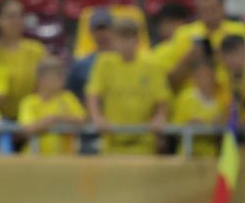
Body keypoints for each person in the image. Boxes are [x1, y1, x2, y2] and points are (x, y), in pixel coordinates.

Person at [87, 19, 169, 155]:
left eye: (129, 38)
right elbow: (93, 93)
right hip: (111, 143)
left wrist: (160, 116)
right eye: (120, 39)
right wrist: (97, 116)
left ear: (137, 41)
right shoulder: (104, 63)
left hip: (144, 144)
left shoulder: (151, 65)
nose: (124, 44)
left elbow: (162, 98)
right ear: (113, 40)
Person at [157, 0, 245, 92]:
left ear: (222, 7)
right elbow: (171, 80)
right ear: (197, 11)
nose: (209, 14)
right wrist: (190, 58)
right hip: (194, 96)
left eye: (213, 8)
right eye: (204, 10)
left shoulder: (240, 31)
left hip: (233, 94)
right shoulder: (183, 34)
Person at [0, 0, 47, 118]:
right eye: (10, 16)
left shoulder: (37, 49)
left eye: (20, 16)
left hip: (31, 116)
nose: (16, 21)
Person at [19, 56, 86, 155]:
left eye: (63, 75)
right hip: (36, 158)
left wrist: (56, 119)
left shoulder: (68, 98)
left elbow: (81, 120)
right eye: (58, 75)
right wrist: (51, 120)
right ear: (42, 78)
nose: (63, 79)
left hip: (64, 160)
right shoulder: (29, 102)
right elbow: (28, 129)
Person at [171, 56, 227, 158]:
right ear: (195, 77)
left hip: (211, 157)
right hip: (187, 155)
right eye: (201, 75)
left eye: (209, 75)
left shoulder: (221, 101)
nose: (205, 79)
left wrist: (218, 126)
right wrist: (189, 124)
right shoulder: (185, 98)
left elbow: (225, 134)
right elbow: (175, 130)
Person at [65, 8, 113, 100]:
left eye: (106, 28)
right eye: (98, 29)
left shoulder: (125, 61)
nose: (102, 33)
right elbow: (69, 95)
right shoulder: (80, 66)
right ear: (91, 32)